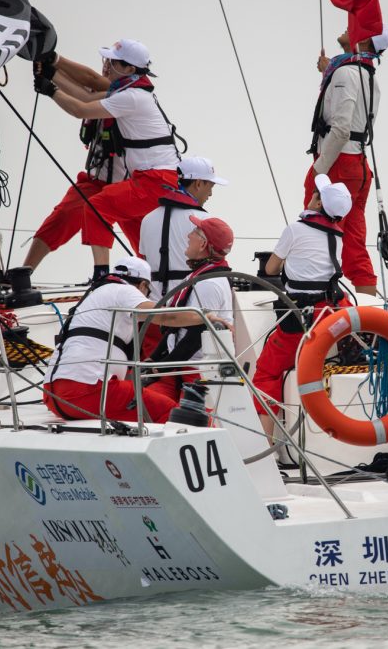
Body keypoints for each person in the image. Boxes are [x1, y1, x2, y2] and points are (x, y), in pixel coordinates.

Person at [31, 39, 181, 280]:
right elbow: (85, 94)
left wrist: (51, 89)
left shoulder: (131, 97)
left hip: (154, 180)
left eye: (113, 62)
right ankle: (155, 279)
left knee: (98, 208)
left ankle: (102, 276)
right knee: (141, 240)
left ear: (130, 69)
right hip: (150, 179)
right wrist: (52, 73)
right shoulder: (128, 92)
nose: (107, 65)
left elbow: (81, 107)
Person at [252, 174, 353, 440]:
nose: (311, 195)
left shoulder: (295, 230)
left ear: (318, 204)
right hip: (330, 314)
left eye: (316, 194)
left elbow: (272, 268)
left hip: (301, 318)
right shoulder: (339, 236)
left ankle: (268, 445)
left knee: (265, 372)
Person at [303, 26, 388, 296]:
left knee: (315, 231)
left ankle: (316, 300)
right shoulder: (367, 74)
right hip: (358, 165)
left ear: (363, 40)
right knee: (353, 243)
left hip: (338, 164)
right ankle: (369, 317)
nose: (346, 27)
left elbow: (340, 128)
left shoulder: (344, 72)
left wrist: (318, 170)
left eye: (353, 27)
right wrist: (330, 71)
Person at [43, 256, 182, 423]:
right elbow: (165, 316)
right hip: (89, 391)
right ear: (143, 285)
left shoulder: (95, 295)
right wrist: (204, 317)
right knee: (169, 412)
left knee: (139, 408)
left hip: (54, 396)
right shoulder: (124, 291)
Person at [145, 216, 236, 418]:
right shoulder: (198, 277)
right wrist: (154, 359)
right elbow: (177, 326)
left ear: (203, 244)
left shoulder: (209, 283)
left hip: (196, 372)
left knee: (174, 419)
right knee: (145, 408)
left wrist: (161, 369)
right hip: (180, 368)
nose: (188, 235)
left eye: (194, 232)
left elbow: (197, 335)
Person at [138, 156, 227, 357]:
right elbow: (218, 266)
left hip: (153, 313)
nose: (211, 193)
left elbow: (142, 263)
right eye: (210, 185)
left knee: (147, 376)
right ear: (198, 183)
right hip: (187, 313)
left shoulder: (147, 219)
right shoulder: (204, 221)